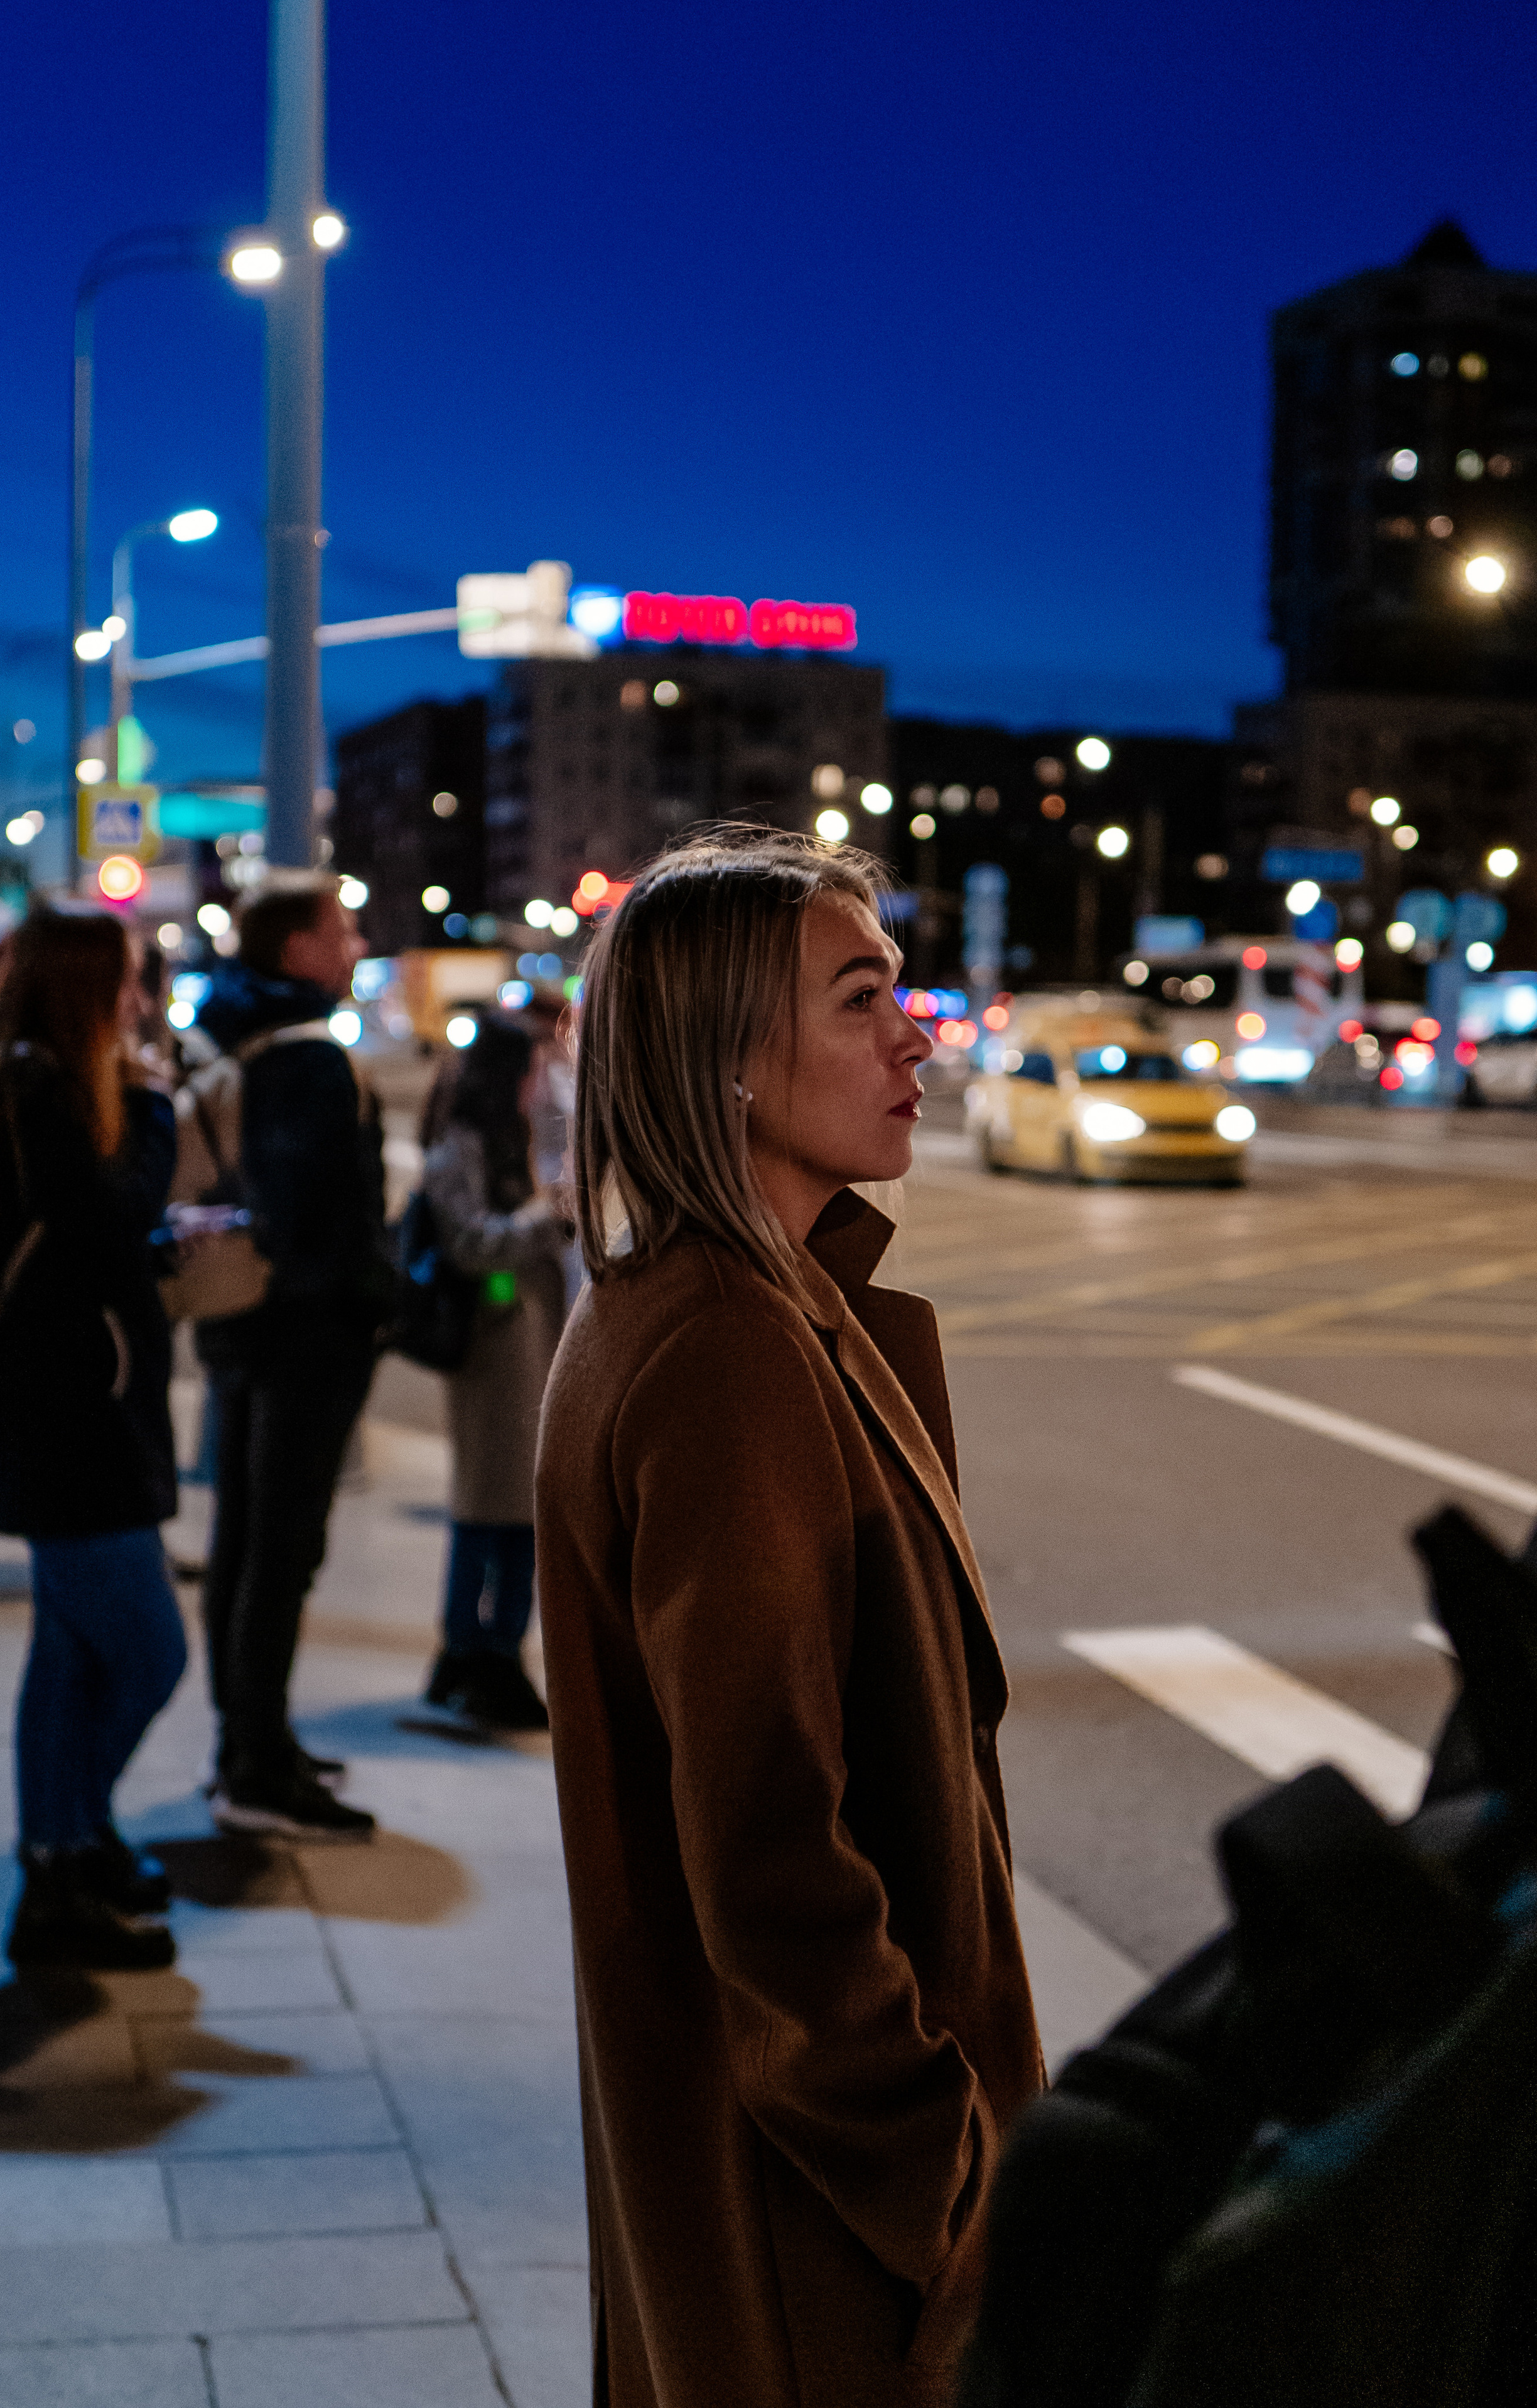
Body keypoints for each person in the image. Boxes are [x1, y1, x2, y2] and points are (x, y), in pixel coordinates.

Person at [535, 831, 1045, 2407]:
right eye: (860, 996)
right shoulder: (727, 1352)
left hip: (761, 2169)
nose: (914, 1031)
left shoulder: (705, 1304)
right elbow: (768, 1848)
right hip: (822, 2223)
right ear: (731, 1062)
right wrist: (951, 2185)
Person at [0, 906, 186, 1969]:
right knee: (150, 1653)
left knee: (65, 1660)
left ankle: (63, 1860)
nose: (139, 1000)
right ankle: (64, 1849)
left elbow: (84, 1243)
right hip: (71, 1428)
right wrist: (155, 1113)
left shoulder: (31, 1084)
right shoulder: (36, 1090)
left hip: (66, 1417)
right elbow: (103, 1219)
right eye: (126, 980)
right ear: (81, 986)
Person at [193, 875, 391, 1839]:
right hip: (304, 1336)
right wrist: (372, 1302)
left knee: (246, 1536)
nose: (355, 944)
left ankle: (248, 1738)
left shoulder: (237, 1036)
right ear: (297, 948)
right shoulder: (309, 1058)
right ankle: (256, 1765)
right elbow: (320, 1218)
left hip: (242, 1324)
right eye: (342, 930)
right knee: (282, 1547)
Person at [419, 1010, 567, 1726]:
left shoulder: (517, 1140)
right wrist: (550, 1218)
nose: (542, 1080)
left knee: (517, 1514)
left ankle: (490, 1652)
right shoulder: (461, 1146)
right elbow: (470, 1242)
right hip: (491, 1352)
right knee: (488, 1512)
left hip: (530, 1348)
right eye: (533, 1066)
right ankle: (476, 1655)